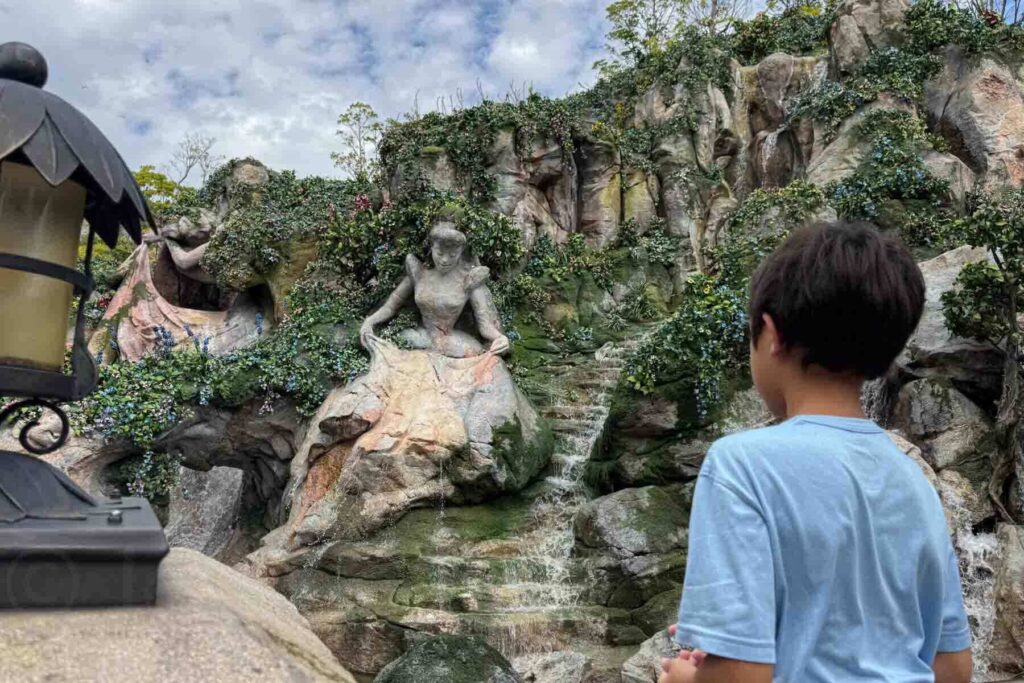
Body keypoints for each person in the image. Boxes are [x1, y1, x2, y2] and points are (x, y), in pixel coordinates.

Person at [660, 221, 973, 683]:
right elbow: (953, 668)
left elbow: (741, 677)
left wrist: (687, 677)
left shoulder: (741, 465)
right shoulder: (915, 483)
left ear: (771, 334)